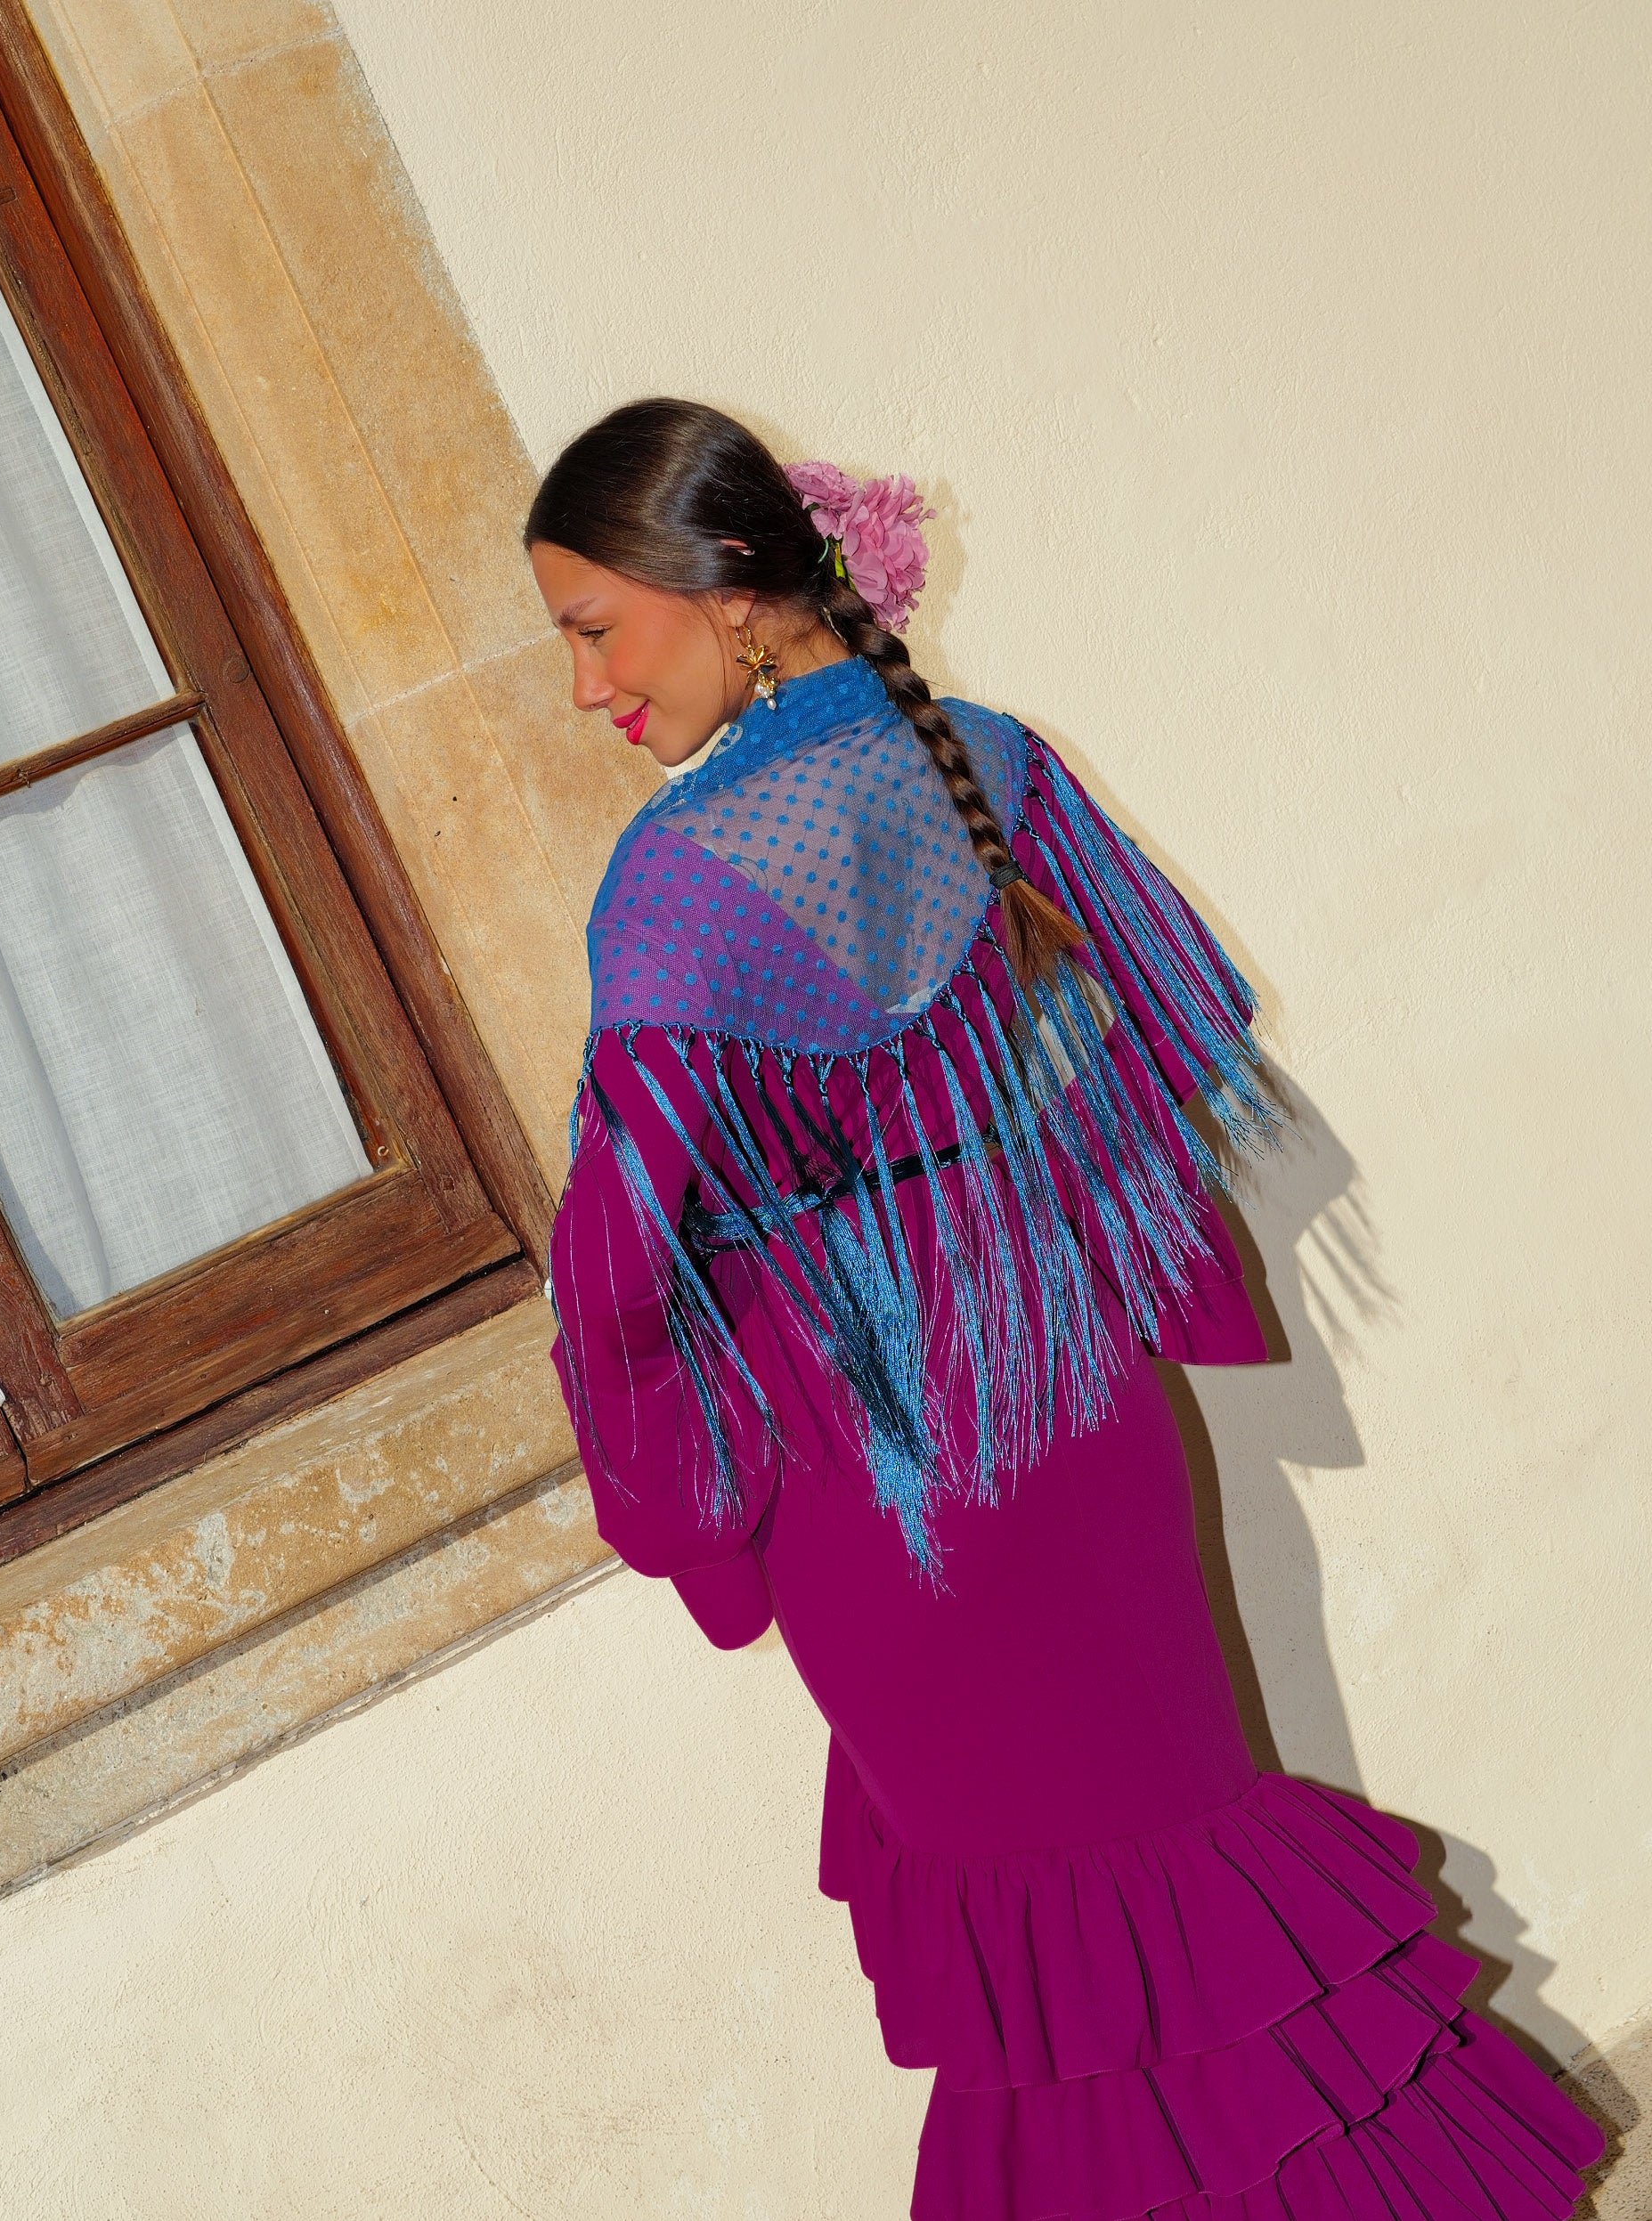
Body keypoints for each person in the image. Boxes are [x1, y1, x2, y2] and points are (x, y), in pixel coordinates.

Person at [526, 397, 1604, 2220]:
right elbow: (1167, 1033)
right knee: (1187, 1905)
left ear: (727, 584)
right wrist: (1038, 1245)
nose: (583, 688)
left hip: (890, 1493)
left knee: (1056, 1996)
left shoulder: (678, 887)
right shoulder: (994, 763)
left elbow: (624, 1268)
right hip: (1082, 1413)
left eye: (591, 628)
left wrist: (679, 1464)